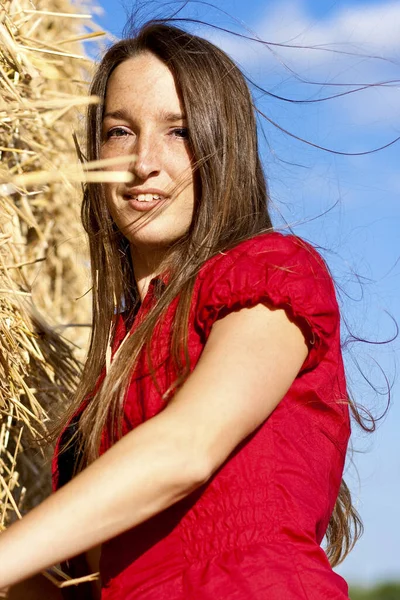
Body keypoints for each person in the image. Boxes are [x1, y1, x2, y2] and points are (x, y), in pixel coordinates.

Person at [1, 22, 357, 599]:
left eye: (180, 132)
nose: (144, 162)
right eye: (119, 131)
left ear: (224, 147)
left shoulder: (271, 273)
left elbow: (187, 448)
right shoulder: (113, 362)